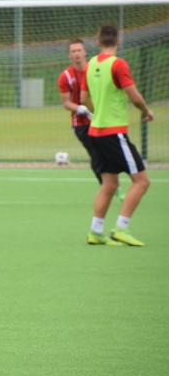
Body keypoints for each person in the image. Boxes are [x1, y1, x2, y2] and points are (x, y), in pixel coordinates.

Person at [82, 25, 154, 247]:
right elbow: (134, 96)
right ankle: (121, 228)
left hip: (95, 131)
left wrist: (100, 110)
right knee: (141, 181)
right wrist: (146, 110)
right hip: (113, 132)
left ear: (98, 42)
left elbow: (84, 98)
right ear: (118, 41)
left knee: (110, 184)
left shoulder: (91, 63)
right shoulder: (118, 64)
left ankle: (96, 232)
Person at [57, 39, 103, 184]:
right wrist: (79, 108)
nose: (77, 54)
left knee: (108, 153)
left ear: (85, 52)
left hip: (101, 119)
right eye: (73, 51)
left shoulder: (97, 70)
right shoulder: (66, 76)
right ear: (69, 55)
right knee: (96, 154)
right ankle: (106, 185)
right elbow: (66, 103)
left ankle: (111, 182)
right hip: (81, 124)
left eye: (79, 50)